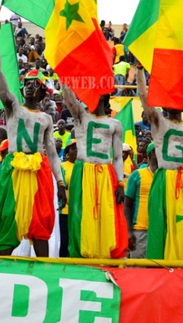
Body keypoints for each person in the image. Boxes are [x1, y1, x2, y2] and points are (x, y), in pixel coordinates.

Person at [0, 16, 66, 257]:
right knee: (9, 220)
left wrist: (61, 183)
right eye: (28, 83)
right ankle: (1, 271)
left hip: (39, 170)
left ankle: (43, 274)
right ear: (22, 88)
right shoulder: (12, 106)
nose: (31, 86)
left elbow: (52, 153)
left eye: (37, 83)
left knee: (41, 222)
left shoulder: (46, 118)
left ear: (44, 91)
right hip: (13, 167)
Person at [136, 67, 183, 261]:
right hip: (164, 178)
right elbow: (144, 97)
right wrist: (139, 72)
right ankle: (161, 266)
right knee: (162, 223)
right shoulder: (158, 121)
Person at [61, 84, 127, 259]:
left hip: (106, 173)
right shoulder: (81, 116)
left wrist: (120, 183)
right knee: (80, 216)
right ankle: (81, 257)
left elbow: (118, 157)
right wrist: (63, 74)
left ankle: (104, 257)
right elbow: (69, 98)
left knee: (106, 215)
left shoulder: (115, 124)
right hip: (83, 171)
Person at [124, 142, 157, 258]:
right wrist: (128, 231)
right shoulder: (137, 175)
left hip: (159, 232)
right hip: (140, 232)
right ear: (152, 153)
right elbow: (127, 205)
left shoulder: (167, 177)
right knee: (137, 271)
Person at [59, 140, 77, 257]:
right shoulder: (61, 167)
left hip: (79, 211)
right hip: (64, 210)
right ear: (67, 152)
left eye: (78, 148)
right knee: (64, 240)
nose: (76, 151)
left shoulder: (85, 167)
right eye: (73, 149)